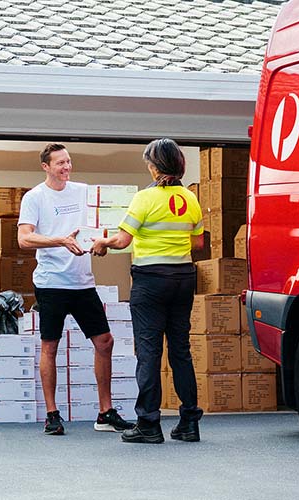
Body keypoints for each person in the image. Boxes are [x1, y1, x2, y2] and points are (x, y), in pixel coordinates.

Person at [91, 138, 205, 444]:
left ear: (155, 167)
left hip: (151, 280)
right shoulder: (191, 199)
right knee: (180, 351)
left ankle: (149, 423)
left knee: (149, 352)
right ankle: (189, 422)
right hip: (183, 278)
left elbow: (122, 240)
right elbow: (198, 243)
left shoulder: (144, 199)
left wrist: (102, 243)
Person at [18, 143, 135, 436]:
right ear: (46, 167)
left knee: (105, 342)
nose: (66, 167)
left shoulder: (84, 191)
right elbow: (24, 239)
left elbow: (100, 227)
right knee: (50, 346)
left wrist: (103, 244)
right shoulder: (35, 197)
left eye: (68, 161)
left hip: (82, 282)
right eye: (60, 163)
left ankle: (105, 413)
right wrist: (60, 240)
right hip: (51, 282)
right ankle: (52, 415)